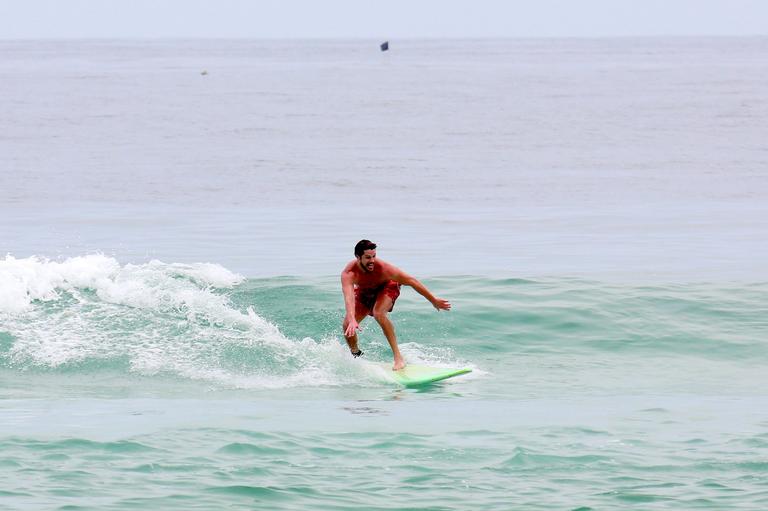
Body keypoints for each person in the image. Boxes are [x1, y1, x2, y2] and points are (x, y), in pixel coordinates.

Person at [341, 239, 451, 370]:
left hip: (387, 287)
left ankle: (398, 358)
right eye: (368, 257)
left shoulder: (384, 269)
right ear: (358, 257)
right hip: (365, 291)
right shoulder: (349, 273)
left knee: (379, 313)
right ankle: (356, 354)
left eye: (374, 256)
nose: (372, 261)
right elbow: (349, 297)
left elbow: (411, 281)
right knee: (347, 325)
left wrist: (433, 300)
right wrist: (352, 319)